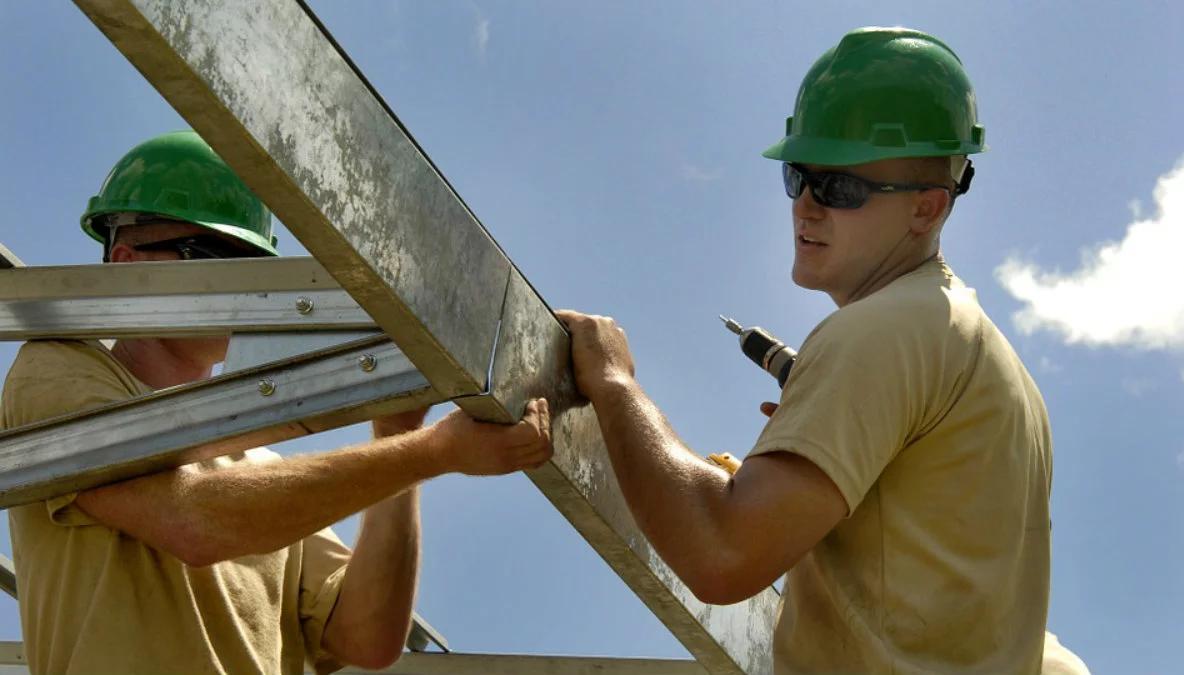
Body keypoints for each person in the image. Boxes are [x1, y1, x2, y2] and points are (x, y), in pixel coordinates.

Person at [558, 27, 1085, 673]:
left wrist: (614, 384)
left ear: (927, 209)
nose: (806, 207)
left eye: (840, 188)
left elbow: (722, 555)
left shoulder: (884, 329)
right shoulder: (985, 360)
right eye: (798, 177)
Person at [2, 130, 554, 675]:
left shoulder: (260, 469)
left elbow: (366, 637)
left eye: (252, 263)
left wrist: (397, 435)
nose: (241, 285)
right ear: (127, 263)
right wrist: (431, 453)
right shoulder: (60, 369)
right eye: (211, 255)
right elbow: (192, 521)